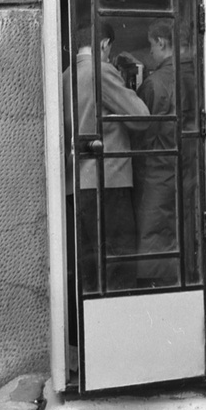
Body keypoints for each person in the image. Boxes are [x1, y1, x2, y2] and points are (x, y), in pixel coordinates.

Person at [63, 22, 149, 295]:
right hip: (108, 180)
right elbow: (142, 117)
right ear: (104, 44)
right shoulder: (101, 71)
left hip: (76, 183)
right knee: (119, 261)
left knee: (89, 264)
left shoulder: (66, 75)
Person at [133, 19, 179, 288]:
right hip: (177, 168)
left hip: (154, 170)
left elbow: (141, 130)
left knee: (150, 234)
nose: (150, 52)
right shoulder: (186, 74)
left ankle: (153, 291)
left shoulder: (154, 84)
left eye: (151, 45)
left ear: (161, 42)